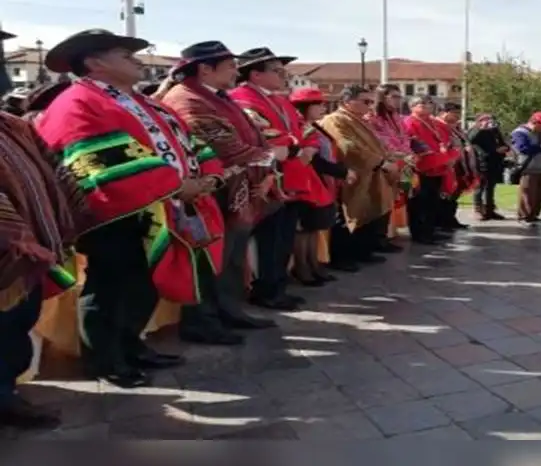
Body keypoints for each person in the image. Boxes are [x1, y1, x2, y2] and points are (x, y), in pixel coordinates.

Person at [37, 29, 226, 387]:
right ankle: (105, 360)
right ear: (95, 63)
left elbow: (190, 141)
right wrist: (175, 185)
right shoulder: (77, 102)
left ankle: (131, 344)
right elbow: (96, 159)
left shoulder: (147, 103)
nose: (137, 60)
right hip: (113, 214)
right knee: (110, 285)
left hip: (161, 208)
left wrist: (210, 176)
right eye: (125, 55)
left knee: (143, 282)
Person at [161, 41, 282, 341]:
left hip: (236, 189)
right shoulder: (187, 99)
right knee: (211, 258)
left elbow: (255, 137)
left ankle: (229, 310)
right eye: (229, 66)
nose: (234, 72)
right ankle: (202, 321)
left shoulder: (217, 97)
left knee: (231, 257)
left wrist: (265, 165)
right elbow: (224, 146)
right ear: (204, 68)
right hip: (210, 190)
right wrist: (268, 158)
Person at [0, 111, 86, 429]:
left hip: (25, 249)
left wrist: (74, 206)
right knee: (5, 324)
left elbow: (51, 164)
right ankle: (4, 398)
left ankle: (7, 388)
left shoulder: (11, 123)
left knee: (20, 319)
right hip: (11, 246)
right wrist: (16, 234)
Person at [231, 47, 334, 311]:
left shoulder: (279, 99)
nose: (283, 75)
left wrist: (306, 146)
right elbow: (265, 136)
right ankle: (266, 290)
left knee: (284, 238)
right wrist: (297, 146)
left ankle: (278, 286)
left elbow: (304, 129)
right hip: (270, 180)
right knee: (271, 240)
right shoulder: (242, 99)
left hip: (293, 178)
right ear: (255, 74)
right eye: (277, 71)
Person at [317, 85, 397, 261]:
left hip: (371, 173)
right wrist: (380, 161)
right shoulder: (336, 120)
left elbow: (376, 144)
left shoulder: (358, 119)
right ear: (347, 101)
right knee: (347, 217)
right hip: (351, 174)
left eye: (371, 102)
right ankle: (343, 258)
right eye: (365, 101)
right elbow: (348, 146)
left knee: (368, 214)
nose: (369, 106)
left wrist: (389, 156)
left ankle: (363, 252)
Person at [288, 88, 351, 285]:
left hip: (319, 182)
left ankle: (314, 264)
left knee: (314, 227)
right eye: (318, 104)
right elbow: (314, 160)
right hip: (305, 181)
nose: (323, 108)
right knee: (304, 228)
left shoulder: (313, 126)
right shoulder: (299, 127)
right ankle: (302, 268)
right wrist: (341, 171)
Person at [403, 95, 459, 244]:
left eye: (429, 103)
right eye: (422, 103)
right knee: (420, 203)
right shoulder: (410, 122)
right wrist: (442, 156)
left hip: (438, 167)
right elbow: (416, 144)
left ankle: (430, 230)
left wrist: (449, 153)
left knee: (433, 203)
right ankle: (420, 233)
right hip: (422, 168)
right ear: (412, 107)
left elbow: (447, 140)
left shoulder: (434, 122)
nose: (427, 106)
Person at [366, 84, 413, 247]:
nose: (398, 100)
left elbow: (405, 136)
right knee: (381, 202)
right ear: (382, 97)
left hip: (400, 162)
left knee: (392, 200)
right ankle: (377, 239)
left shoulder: (396, 117)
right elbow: (379, 139)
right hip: (383, 164)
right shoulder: (372, 117)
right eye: (394, 97)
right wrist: (396, 153)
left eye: (399, 97)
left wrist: (406, 153)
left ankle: (385, 235)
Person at [510, 112, 541, 224]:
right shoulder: (520, 133)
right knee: (528, 193)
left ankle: (534, 215)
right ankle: (524, 216)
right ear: (535, 122)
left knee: (540, 194)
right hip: (528, 167)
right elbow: (523, 149)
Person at [436, 102, 475, 231]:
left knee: (454, 194)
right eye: (454, 113)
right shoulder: (438, 126)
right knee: (444, 194)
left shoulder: (455, 128)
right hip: (447, 164)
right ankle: (442, 221)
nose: (457, 116)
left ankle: (450, 219)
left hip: (459, 164)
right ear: (444, 113)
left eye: (458, 113)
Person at [468, 114, 509, 221]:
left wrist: (505, 148)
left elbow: (502, 143)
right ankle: (477, 209)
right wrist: (481, 128)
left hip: (495, 162)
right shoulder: (476, 131)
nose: (488, 122)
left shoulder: (494, 131)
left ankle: (489, 209)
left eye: (489, 120)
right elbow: (470, 140)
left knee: (490, 187)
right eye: (485, 120)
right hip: (482, 162)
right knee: (480, 186)